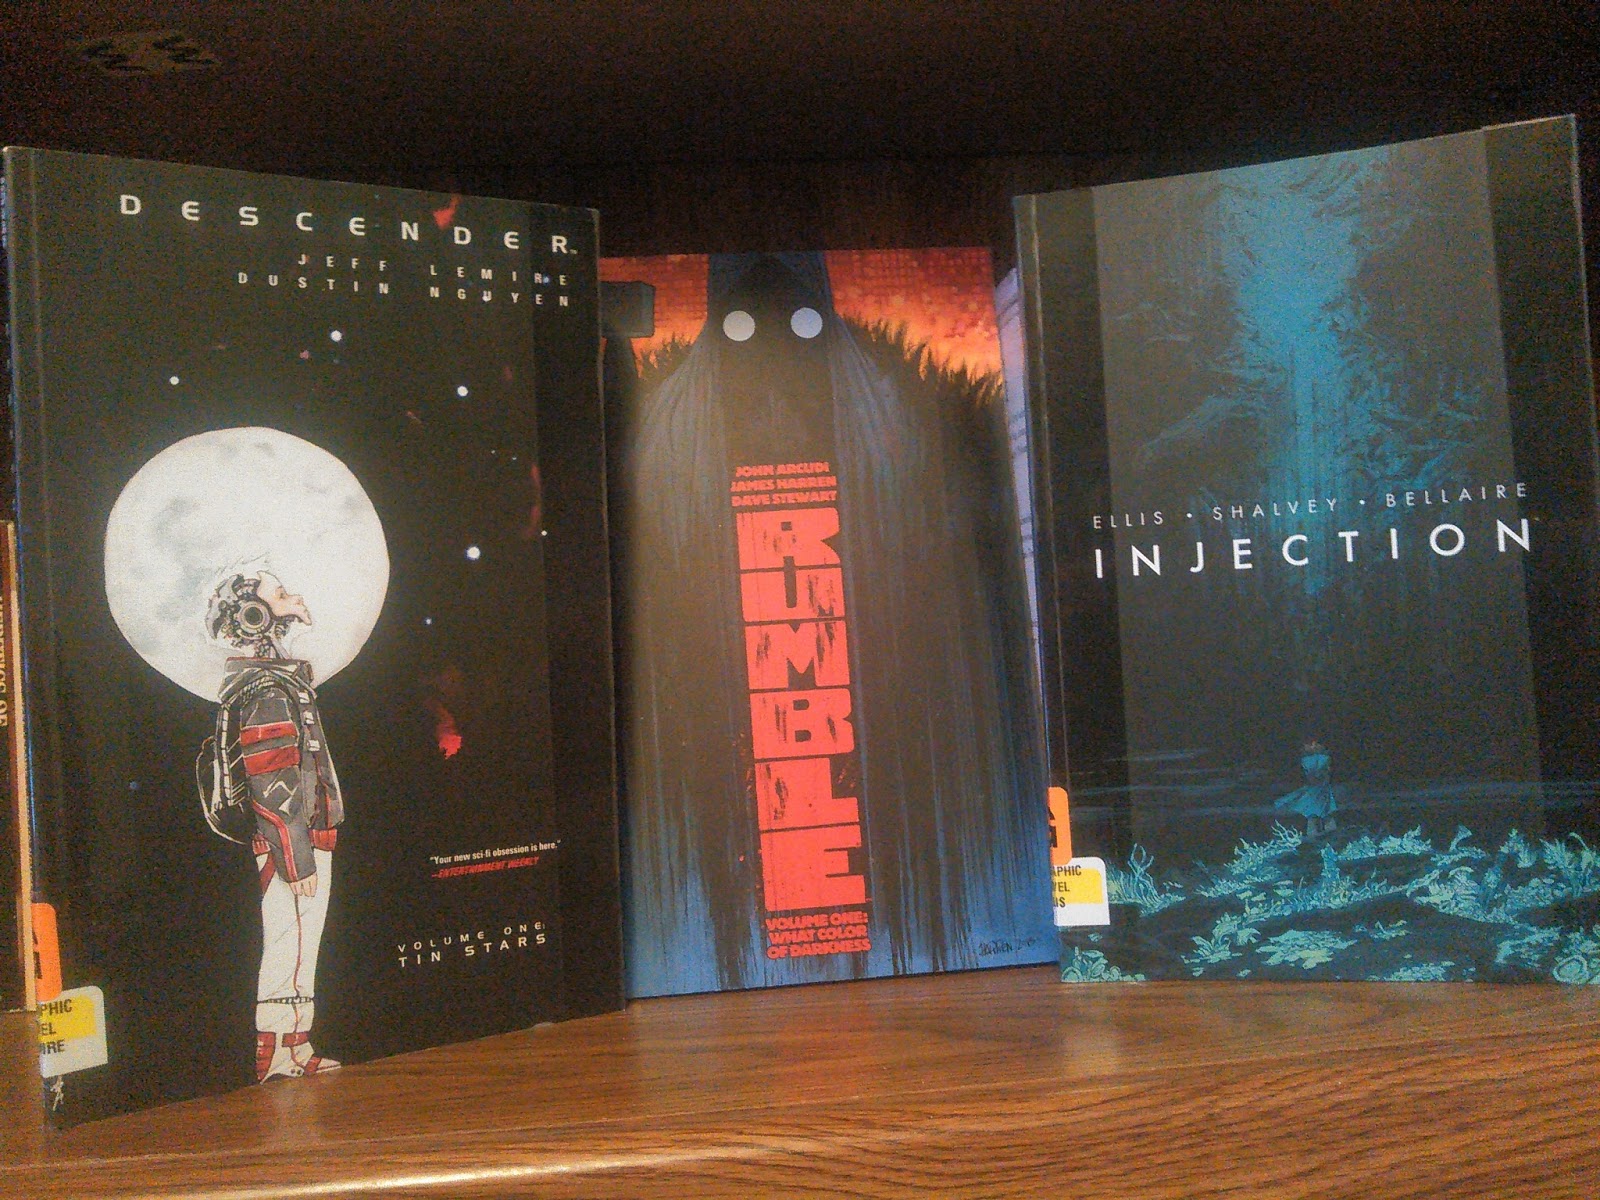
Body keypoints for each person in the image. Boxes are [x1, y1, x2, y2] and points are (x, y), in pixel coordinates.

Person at [202, 570, 343, 1081]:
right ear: (254, 614)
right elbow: (273, 782)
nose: (295, 598)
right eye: (280, 595)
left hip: (298, 838)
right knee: (292, 944)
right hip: (292, 842)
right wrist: (296, 857)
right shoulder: (266, 687)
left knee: (299, 944)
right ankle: (280, 1053)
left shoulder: (275, 681)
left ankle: (293, 1046)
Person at [1273, 737, 1338, 839]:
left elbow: (1323, 772)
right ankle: (1319, 832)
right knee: (1317, 811)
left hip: (1320, 788)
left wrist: (1321, 777)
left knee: (1321, 810)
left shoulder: (1319, 758)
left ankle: (1325, 831)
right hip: (1317, 788)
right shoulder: (1310, 759)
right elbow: (1314, 774)